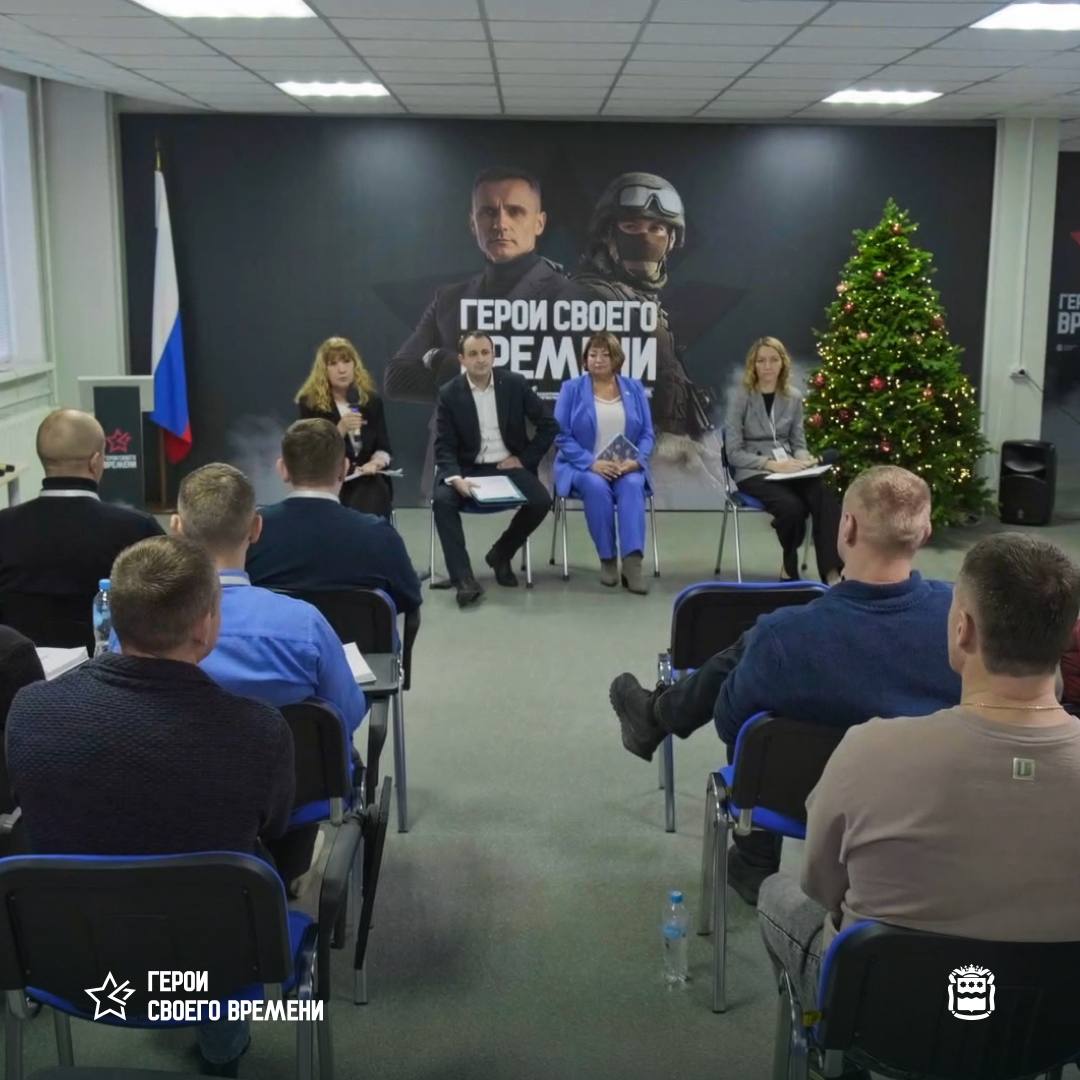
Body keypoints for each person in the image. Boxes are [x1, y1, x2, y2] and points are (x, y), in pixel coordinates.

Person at [6, 535, 294, 1076]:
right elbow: (276, 825)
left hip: (67, 957)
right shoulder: (259, 731)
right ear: (205, 627)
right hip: (213, 960)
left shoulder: (29, 710)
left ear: (113, 618)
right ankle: (222, 1051)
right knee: (243, 873)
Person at [758, 533, 1080, 1013]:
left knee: (775, 894)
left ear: (963, 629)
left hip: (888, 1016)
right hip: (1054, 1021)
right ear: (1068, 635)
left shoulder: (870, 750)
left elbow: (821, 885)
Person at [609, 466, 960, 901]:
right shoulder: (962, 619)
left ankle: (753, 857)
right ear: (925, 532)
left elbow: (730, 726)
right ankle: (658, 714)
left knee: (756, 695)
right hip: (932, 807)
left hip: (811, 803)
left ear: (846, 528)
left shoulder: (786, 634)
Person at [174, 462, 368, 742]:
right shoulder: (305, 626)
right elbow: (348, 714)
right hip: (296, 771)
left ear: (177, 528)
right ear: (256, 528)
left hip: (174, 770)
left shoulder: (138, 629)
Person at [385, 166, 586, 406]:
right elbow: (397, 379)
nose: (500, 224)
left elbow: (569, 388)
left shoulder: (573, 298)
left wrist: (445, 362)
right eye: (488, 212)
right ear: (473, 223)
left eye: (515, 211)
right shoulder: (449, 299)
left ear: (539, 223)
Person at [0, 408, 162, 650]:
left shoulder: (3, 526)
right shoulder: (138, 529)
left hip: (16, 669)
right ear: (95, 462)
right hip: (109, 669)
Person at [246, 419, 422, 618]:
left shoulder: (250, 533)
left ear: (282, 469)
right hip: (356, 638)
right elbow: (409, 598)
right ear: (344, 469)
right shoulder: (379, 535)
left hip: (274, 637)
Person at [434, 331, 557, 608]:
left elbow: (549, 425)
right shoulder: (449, 393)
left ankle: (501, 554)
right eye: (473, 354)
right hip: (466, 468)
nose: (480, 359)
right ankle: (464, 579)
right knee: (442, 501)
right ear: (462, 359)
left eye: (485, 352)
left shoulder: (514, 383)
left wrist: (523, 459)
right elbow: (444, 446)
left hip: (506, 466)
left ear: (493, 355)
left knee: (540, 501)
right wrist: (455, 478)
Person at [725, 337, 842, 583]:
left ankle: (832, 571)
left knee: (824, 495)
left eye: (773, 360)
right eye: (761, 361)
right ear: (753, 365)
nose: (767, 366)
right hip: (753, 471)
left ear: (782, 363)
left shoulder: (793, 397)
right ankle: (790, 561)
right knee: (792, 508)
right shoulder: (741, 398)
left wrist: (803, 461)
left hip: (789, 469)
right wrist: (771, 465)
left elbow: (798, 443)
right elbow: (733, 452)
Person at [554, 331, 655, 593]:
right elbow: (560, 435)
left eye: (605, 355)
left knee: (633, 485)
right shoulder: (571, 389)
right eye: (592, 354)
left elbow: (647, 434)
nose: (598, 360)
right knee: (596, 486)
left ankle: (632, 564)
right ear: (585, 359)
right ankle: (607, 559)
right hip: (582, 466)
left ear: (616, 359)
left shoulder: (634, 388)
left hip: (625, 465)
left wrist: (637, 461)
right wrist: (591, 463)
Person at [296, 336, 394, 519]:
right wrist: (339, 430)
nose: (342, 369)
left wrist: (376, 463)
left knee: (373, 492)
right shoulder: (310, 404)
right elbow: (310, 452)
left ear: (355, 365)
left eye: (347, 362)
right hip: (328, 478)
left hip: (367, 478)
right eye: (333, 364)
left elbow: (383, 447)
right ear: (323, 370)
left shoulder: (371, 401)